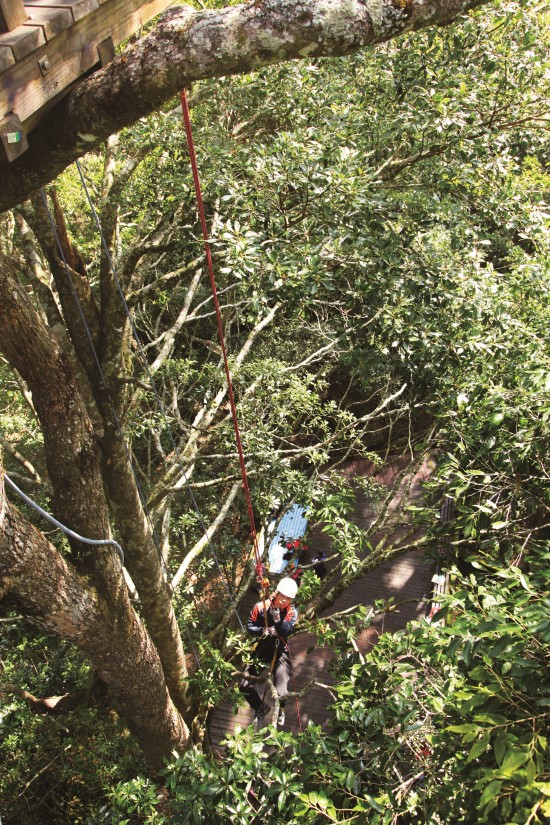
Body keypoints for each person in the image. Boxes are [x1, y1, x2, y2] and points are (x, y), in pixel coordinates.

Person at [239, 576, 298, 727]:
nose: (284, 600)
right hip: (264, 647)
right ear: (277, 593)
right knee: (244, 684)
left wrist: (277, 619)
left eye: (288, 598)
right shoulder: (260, 607)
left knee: (281, 689)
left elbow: (286, 631)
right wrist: (264, 630)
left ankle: (281, 709)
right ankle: (260, 707)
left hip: (280, 650)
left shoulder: (291, 612)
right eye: (282, 595)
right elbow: (250, 626)